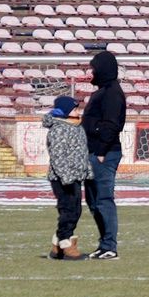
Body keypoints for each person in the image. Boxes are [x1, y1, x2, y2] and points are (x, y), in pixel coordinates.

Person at [82, 50, 127, 260]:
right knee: (93, 202)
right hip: (93, 152)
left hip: (104, 154)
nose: (91, 72)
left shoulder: (112, 93)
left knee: (103, 200)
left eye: (93, 68)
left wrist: (101, 151)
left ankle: (110, 246)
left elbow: (112, 125)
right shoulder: (103, 91)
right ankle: (104, 244)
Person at [44, 95, 91, 260]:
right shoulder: (58, 129)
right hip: (62, 177)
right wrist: (66, 176)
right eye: (74, 109)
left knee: (75, 210)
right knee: (68, 210)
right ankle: (65, 242)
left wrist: (87, 170)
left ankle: (57, 246)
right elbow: (57, 156)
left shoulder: (76, 127)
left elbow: (82, 152)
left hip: (75, 175)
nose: (78, 112)